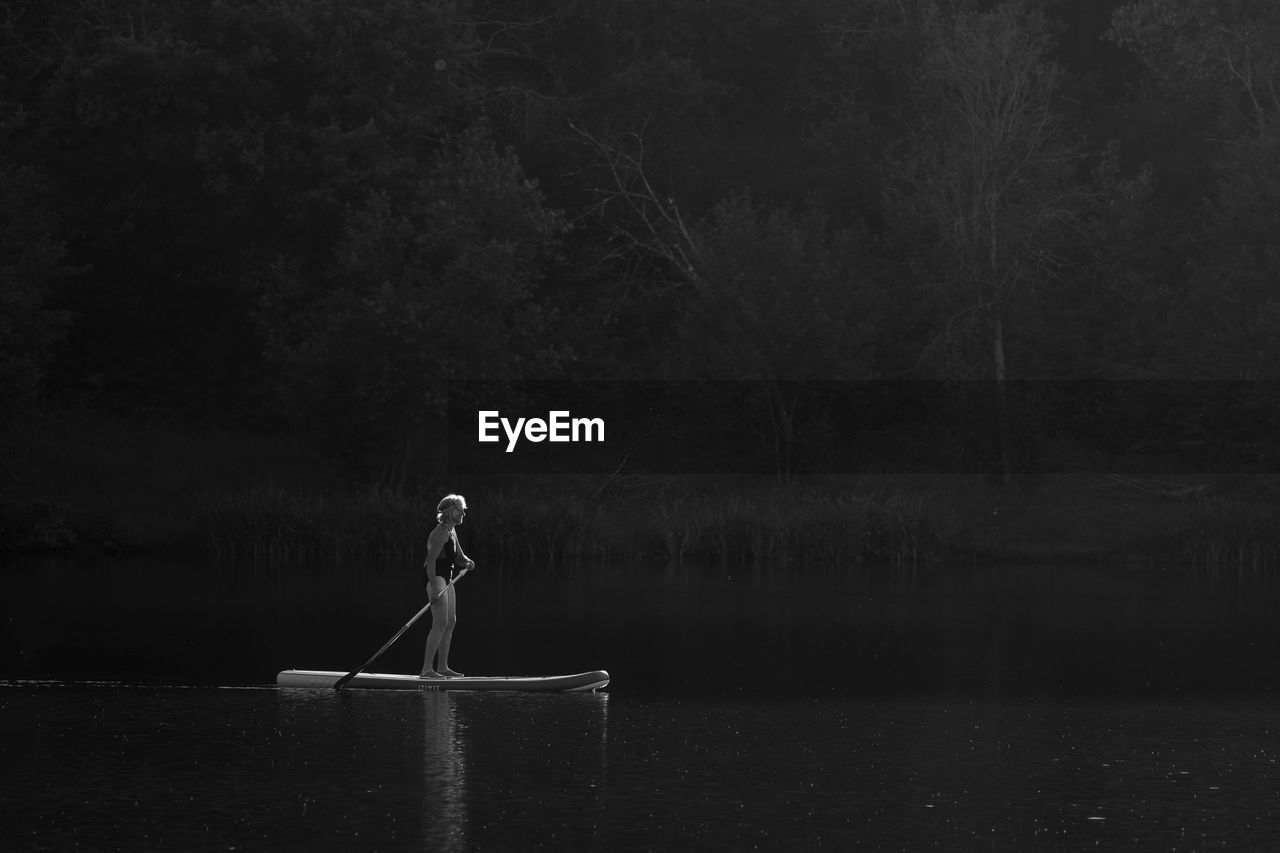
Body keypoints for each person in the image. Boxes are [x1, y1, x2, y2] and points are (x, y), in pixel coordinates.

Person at [420, 493, 475, 678]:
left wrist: (468, 561)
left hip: (447, 577)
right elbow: (430, 560)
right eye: (461, 510)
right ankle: (427, 670)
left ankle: (442, 667)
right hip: (435, 577)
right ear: (451, 511)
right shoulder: (441, 532)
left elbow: (459, 556)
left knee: (451, 622)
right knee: (440, 622)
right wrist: (435, 589)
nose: (463, 514)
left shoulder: (452, 531)